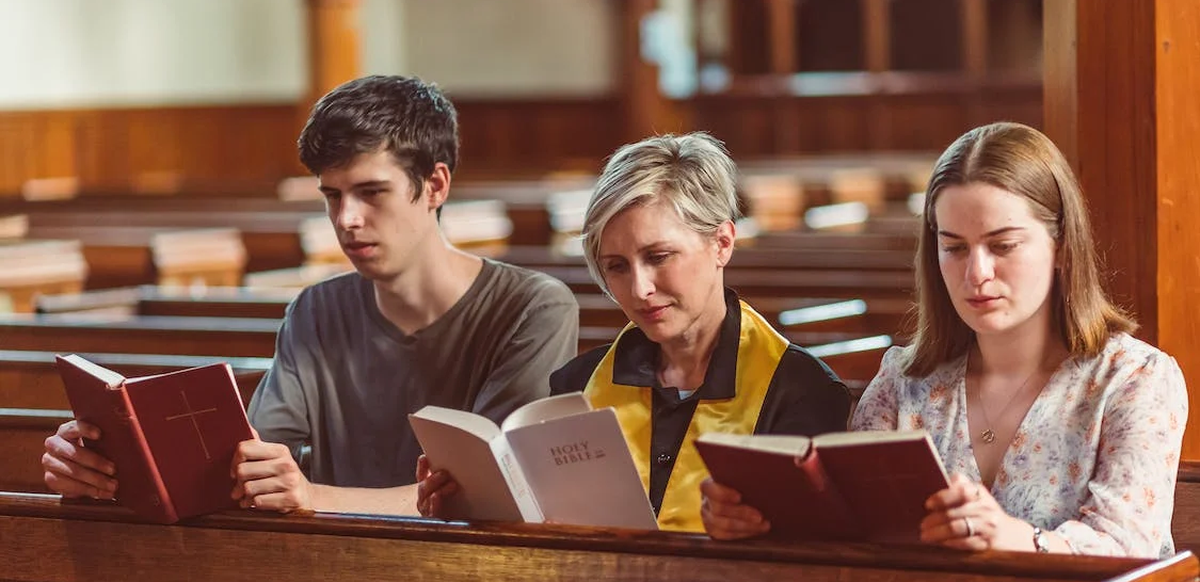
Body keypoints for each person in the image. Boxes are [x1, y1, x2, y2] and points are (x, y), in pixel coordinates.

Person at [41, 75, 581, 515]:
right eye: (333, 196)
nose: (346, 220)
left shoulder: (533, 307)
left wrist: (314, 497)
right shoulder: (316, 309)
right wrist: (105, 466)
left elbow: (496, 493)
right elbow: (245, 461)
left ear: (435, 186)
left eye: (371, 193)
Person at [700, 122, 1188, 558]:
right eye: (954, 247)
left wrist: (1012, 538)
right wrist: (761, 525)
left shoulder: (1134, 380)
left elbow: (1128, 547)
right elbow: (850, 535)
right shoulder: (904, 380)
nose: (977, 273)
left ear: (1060, 247)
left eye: (1003, 246)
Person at [510, 132, 847, 532]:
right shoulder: (577, 386)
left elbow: (820, 552)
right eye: (617, 266)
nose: (639, 290)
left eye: (658, 257)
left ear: (722, 243)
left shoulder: (801, 392)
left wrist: (761, 532)